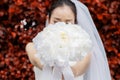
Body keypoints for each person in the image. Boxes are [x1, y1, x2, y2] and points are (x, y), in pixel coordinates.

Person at [25, 0, 111, 80]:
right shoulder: (32, 47)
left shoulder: (85, 52)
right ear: (48, 19)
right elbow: (39, 62)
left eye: (68, 22)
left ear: (75, 23)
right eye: (56, 21)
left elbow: (71, 73)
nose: (62, 27)